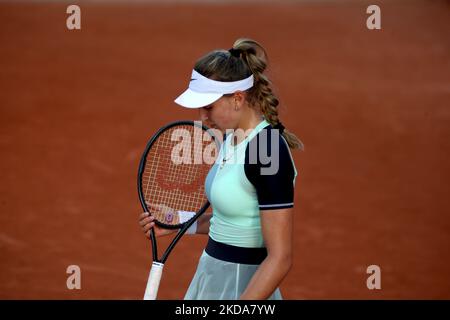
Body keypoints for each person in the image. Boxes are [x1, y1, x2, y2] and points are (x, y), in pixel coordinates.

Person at [138, 38, 304, 300]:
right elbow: (234, 222)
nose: (203, 118)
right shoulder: (231, 137)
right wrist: (179, 222)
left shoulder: (267, 150)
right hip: (212, 276)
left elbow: (280, 258)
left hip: (243, 287)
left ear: (237, 99)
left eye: (209, 107)